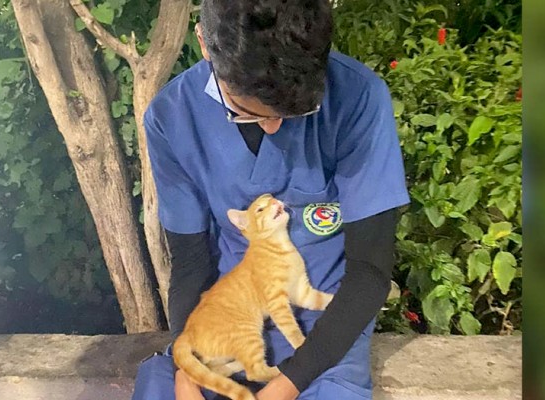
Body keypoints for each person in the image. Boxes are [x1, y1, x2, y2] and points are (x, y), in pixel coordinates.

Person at [132, 0, 409, 399]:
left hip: (326, 333)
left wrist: (284, 386)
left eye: (296, 112)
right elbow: (192, 263)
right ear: (204, 45)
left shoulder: (358, 98)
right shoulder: (172, 118)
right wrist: (187, 372)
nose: (274, 127)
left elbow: (369, 270)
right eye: (246, 113)